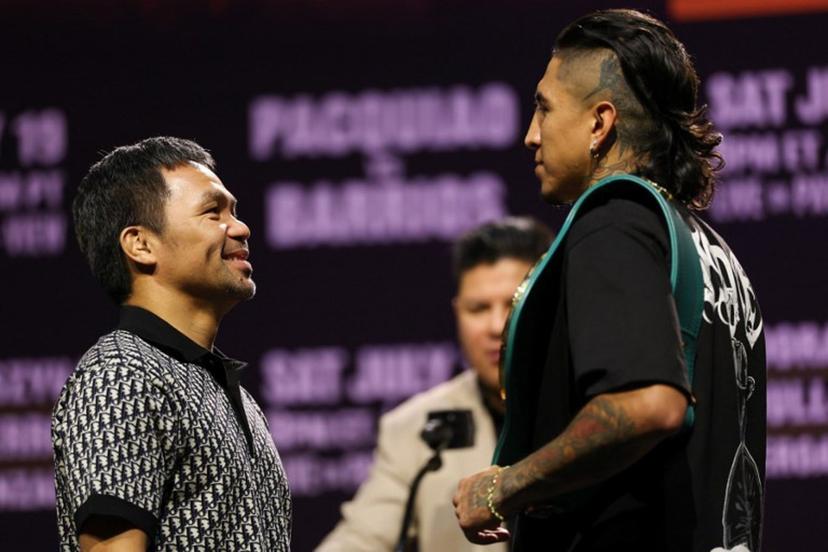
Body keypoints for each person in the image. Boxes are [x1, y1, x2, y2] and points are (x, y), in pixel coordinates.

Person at [453, 9, 766, 552]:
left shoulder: (614, 221)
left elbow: (648, 403)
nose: (530, 135)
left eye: (544, 108)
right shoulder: (710, 249)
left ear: (599, 123)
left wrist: (506, 485)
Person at [52, 137, 291, 551]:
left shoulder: (223, 390)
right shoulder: (120, 374)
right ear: (141, 244)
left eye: (234, 212)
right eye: (213, 212)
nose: (240, 228)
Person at [316, 218, 552, 552]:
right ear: (458, 313)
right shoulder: (414, 428)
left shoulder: (597, 408)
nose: (496, 326)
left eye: (514, 304)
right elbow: (359, 540)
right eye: (478, 308)